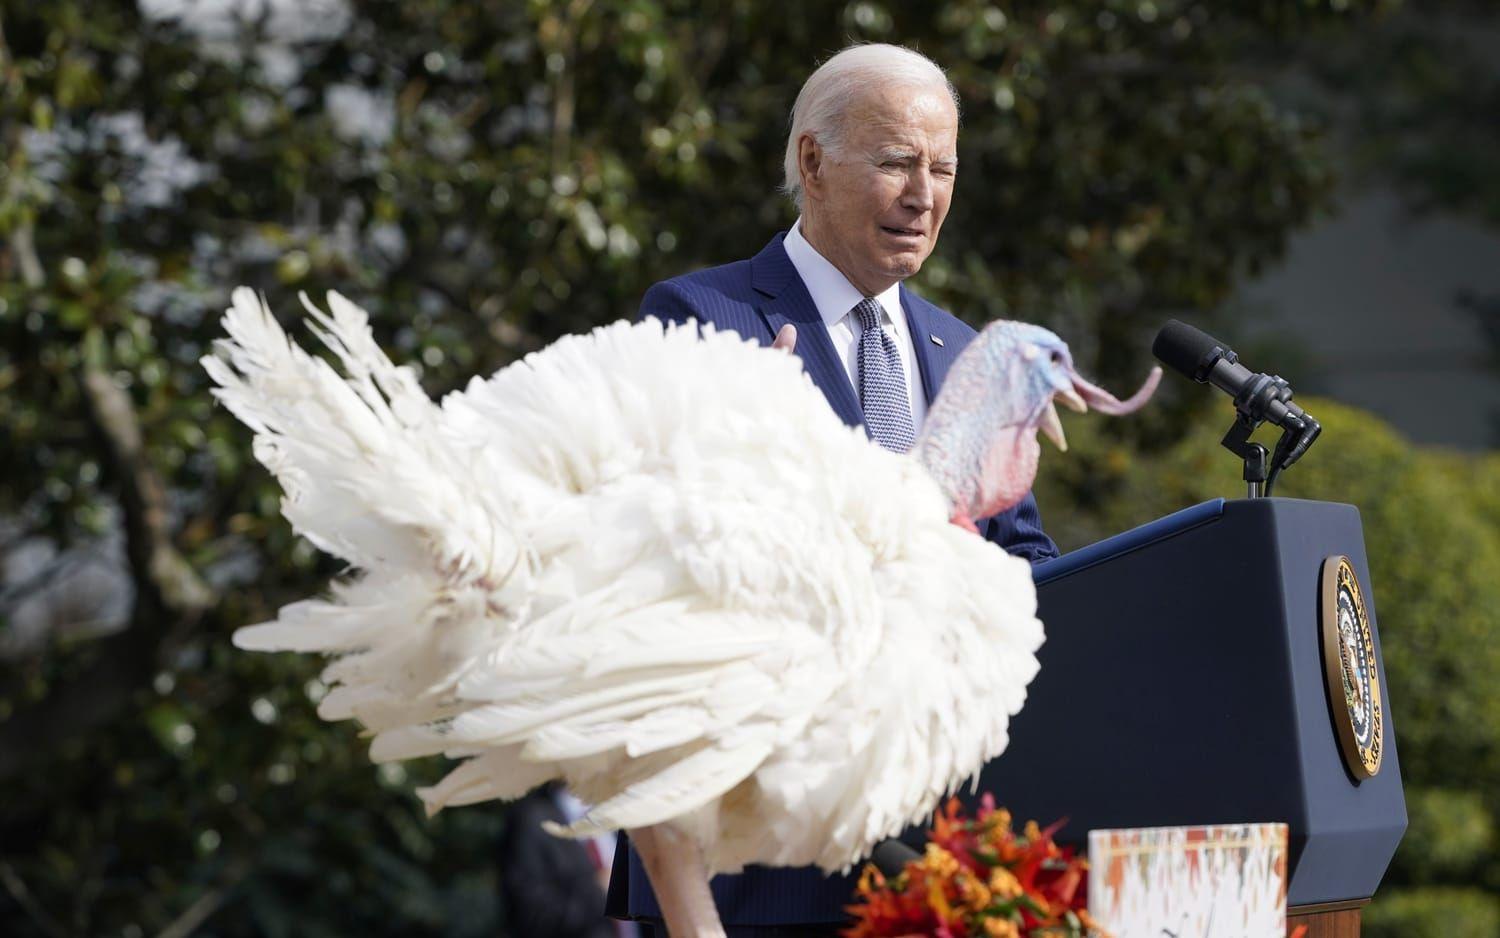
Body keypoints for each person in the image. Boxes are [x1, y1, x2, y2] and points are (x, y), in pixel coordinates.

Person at [606, 42, 1059, 937]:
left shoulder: (973, 353)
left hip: (938, 862)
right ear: (812, 161)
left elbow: (1030, 567)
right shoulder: (703, 321)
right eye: (896, 162)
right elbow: (646, 562)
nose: (923, 195)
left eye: (943, 168)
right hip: (755, 866)